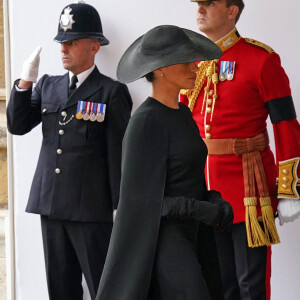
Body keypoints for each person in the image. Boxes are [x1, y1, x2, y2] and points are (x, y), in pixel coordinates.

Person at [95, 25, 233, 300]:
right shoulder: (145, 122)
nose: (195, 67)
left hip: (194, 232)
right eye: (186, 61)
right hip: (163, 238)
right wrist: (198, 208)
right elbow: (139, 202)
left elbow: (187, 177)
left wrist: (213, 200)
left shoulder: (183, 113)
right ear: (161, 69)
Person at [6, 2, 132, 300]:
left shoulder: (111, 92)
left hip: (91, 207)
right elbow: (17, 125)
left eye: (72, 43)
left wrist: (122, 206)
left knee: (104, 287)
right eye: (62, 43)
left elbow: (119, 154)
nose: (63, 50)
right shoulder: (48, 86)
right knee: (60, 288)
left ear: (94, 47)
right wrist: (25, 82)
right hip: (50, 203)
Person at [180, 1, 300, 299]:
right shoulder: (191, 62)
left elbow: (285, 124)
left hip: (248, 189)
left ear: (232, 11)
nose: (200, 10)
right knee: (217, 282)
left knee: (250, 284)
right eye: (199, 4)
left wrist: (288, 189)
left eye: (209, 4)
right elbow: (179, 125)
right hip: (202, 191)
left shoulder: (261, 59)